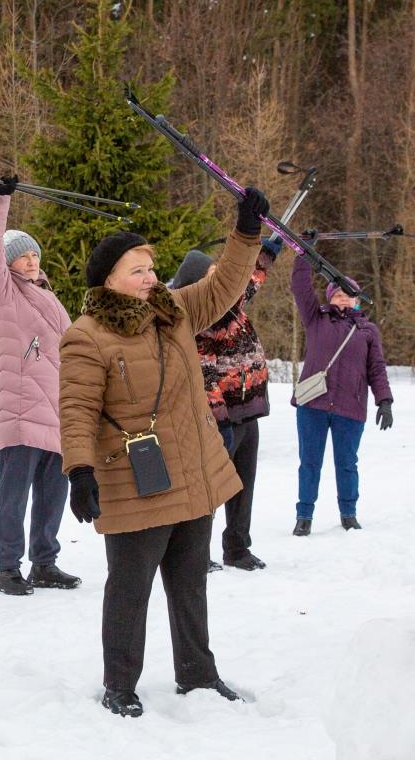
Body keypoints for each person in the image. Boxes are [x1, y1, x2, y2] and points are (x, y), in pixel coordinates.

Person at [59, 189, 270, 718]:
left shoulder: (171, 309)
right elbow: (77, 408)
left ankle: (198, 674)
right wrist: (79, 469)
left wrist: (245, 232)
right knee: (130, 590)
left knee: (190, 584)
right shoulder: (86, 336)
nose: (151, 277)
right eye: (138, 270)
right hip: (136, 481)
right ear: (107, 279)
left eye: (152, 267)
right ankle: (120, 685)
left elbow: (224, 285)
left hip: (193, 472)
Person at [0, 175, 79, 596]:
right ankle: (7, 568)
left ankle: (45, 562)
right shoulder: (2, 294)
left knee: (53, 494)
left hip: (56, 412)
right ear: (9, 263)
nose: (32, 260)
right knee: (13, 496)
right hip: (18, 411)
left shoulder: (49, 298)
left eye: (35, 254)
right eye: (22, 256)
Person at [170, 234, 283, 571]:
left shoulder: (229, 301)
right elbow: (204, 372)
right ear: (194, 285)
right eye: (211, 277)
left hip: (248, 410)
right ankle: (195, 553)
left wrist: (266, 254)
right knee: (211, 486)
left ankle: (237, 547)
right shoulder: (195, 316)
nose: (219, 282)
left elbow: (247, 282)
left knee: (242, 485)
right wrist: (218, 419)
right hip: (221, 417)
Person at [290, 257, 393, 535]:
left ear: (357, 300)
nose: (343, 300)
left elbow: (376, 368)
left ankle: (349, 513)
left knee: (347, 464)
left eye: (348, 295)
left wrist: (384, 400)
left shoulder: (368, 330)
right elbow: (300, 287)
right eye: (337, 294)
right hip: (313, 405)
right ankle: (304, 516)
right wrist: (303, 256)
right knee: (309, 462)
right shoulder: (315, 318)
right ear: (329, 298)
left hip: (351, 407)